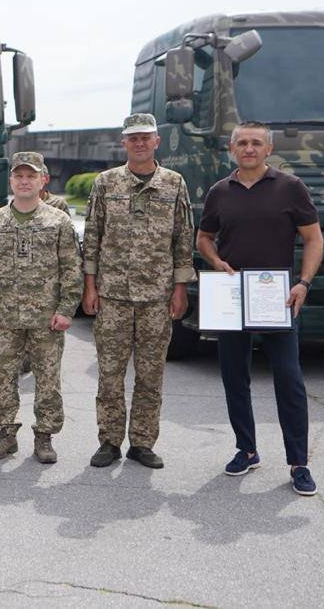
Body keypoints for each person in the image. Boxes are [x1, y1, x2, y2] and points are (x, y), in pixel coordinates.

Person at [196, 121, 324, 496]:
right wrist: (216, 261)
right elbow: (204, 238)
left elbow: (314, 238)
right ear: (231, 149)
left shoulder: (290, 187)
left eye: (256, 143)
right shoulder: (220, 192)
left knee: (289, 378)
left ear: (268, 149)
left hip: (276, 297)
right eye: (242, 143)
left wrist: (303, 282)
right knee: (235, 376)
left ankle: (299, 463)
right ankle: (246, 449)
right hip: (232, 296)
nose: (249, 148)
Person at [82, 113, 195, 469]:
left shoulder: (174, 183)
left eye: (146, 137)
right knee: (110, 374)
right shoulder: (106, 183)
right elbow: (93, 236)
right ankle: (109, 441)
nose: (140, 143)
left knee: (150, 375)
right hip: (113, 295)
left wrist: (180, 288)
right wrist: (90, 286)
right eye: (133, 138)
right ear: (124, 143)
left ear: (157, 141)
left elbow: (183, 238)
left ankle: (142, 442)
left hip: (157, 297)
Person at [0, 151, 82, 463]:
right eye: (19, 176)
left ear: (42, 180)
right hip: (4, 317)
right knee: (4, 379)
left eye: (31, 176)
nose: (24, 181)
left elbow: (71, 269)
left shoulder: (58, 221)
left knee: (48, 380)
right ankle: (6, 434)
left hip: (47, 318)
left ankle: (44, 437)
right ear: (11, 181)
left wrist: (66, 309)